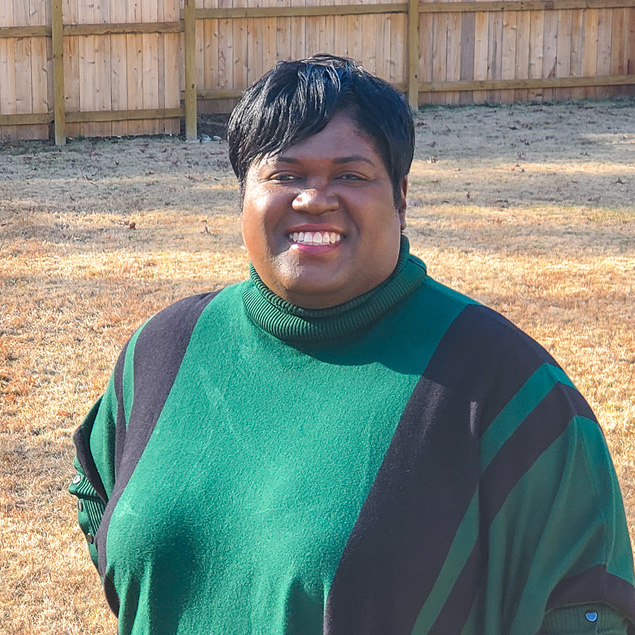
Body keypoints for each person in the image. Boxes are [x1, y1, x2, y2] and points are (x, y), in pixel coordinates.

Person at [69, 54, 635, 634]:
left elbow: (587, 606)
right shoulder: (164, 349)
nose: (314, 198)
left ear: (402, 196)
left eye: (351, 174)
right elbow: (97, 489)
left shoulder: (503, 385)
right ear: (244, 193)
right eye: (284, 173)